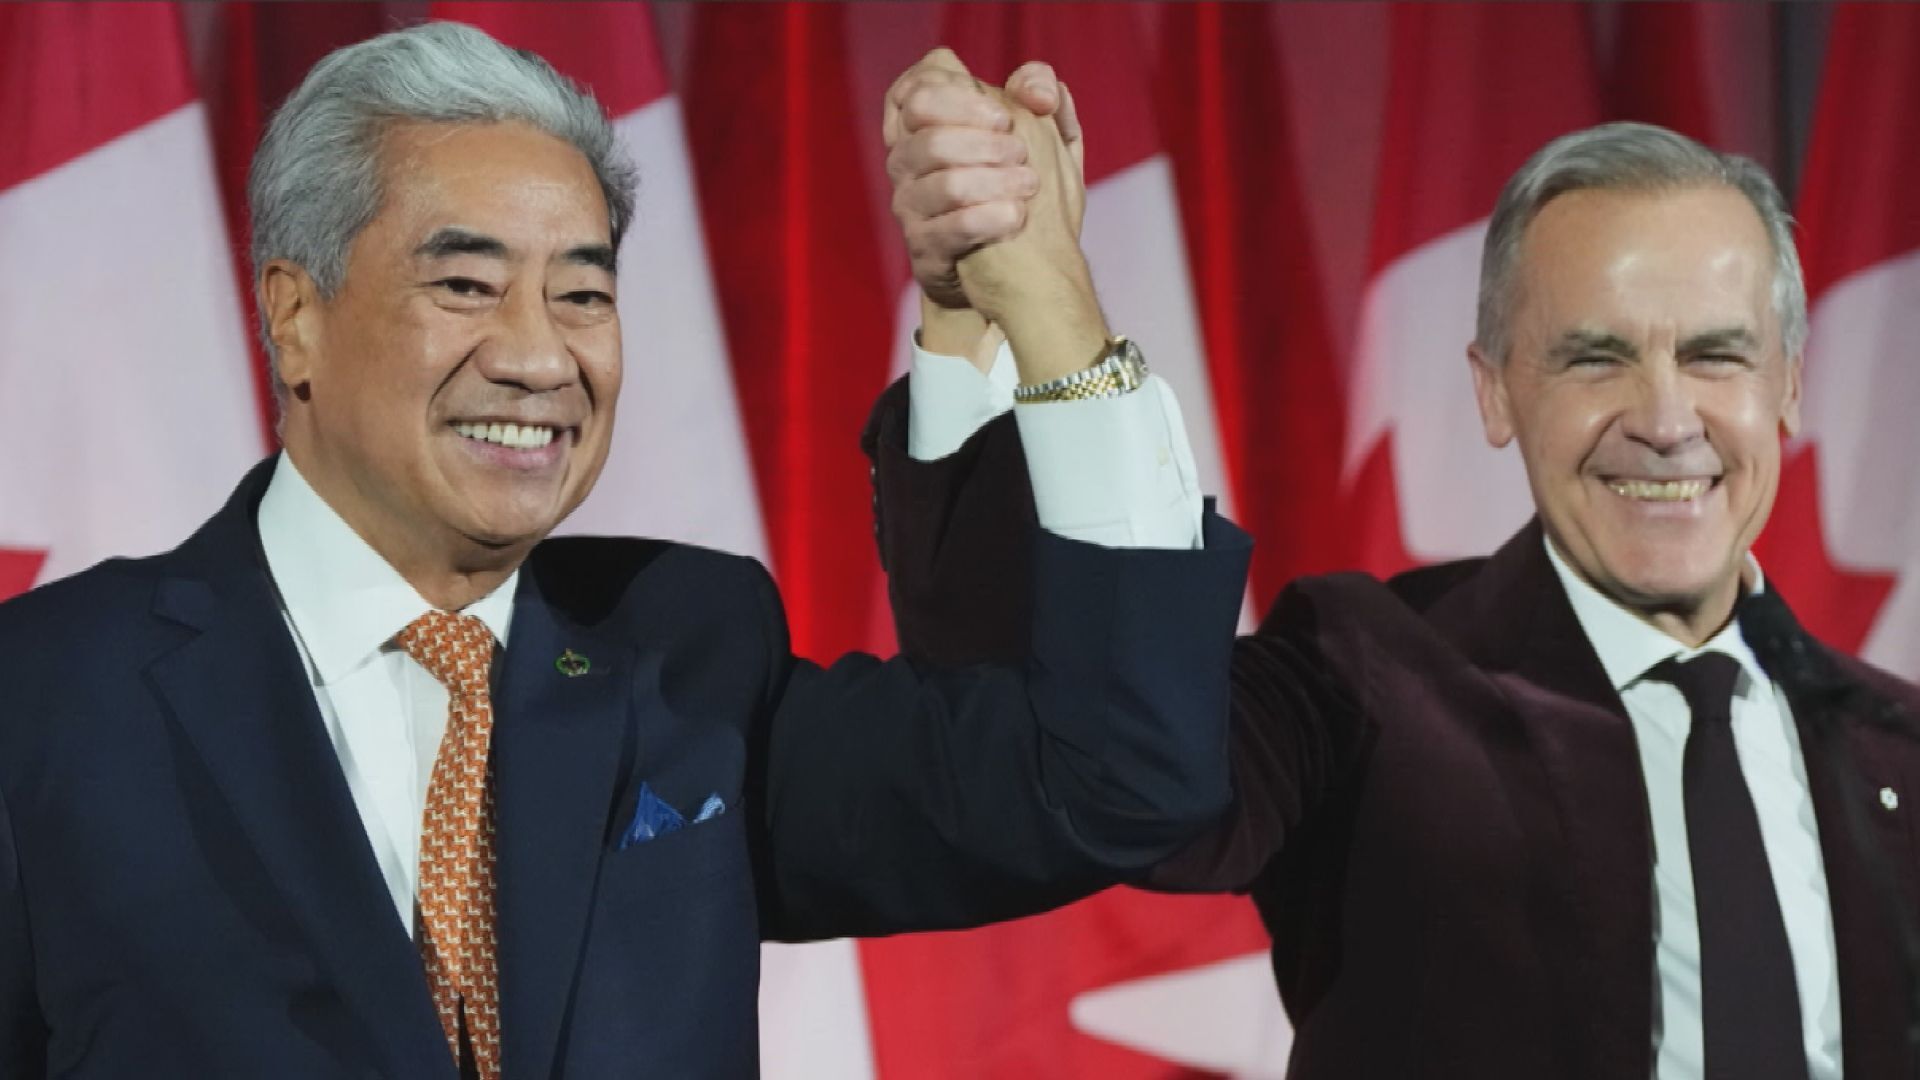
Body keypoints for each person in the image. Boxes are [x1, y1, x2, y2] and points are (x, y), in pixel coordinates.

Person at [0, 25, 1252, 1078]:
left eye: (584, 293)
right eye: (467, 285)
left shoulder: (687, 654)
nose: (540, 356)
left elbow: (1118, 777)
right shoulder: (47, 696)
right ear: (294, 318)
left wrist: (1040, 302)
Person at [873, 50, 1920, 1080]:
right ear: (1496, 392)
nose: (1664, 419)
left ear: (1788, 385)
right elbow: (1070, 754)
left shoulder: (1898, 750)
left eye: (1715, 355)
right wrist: (981, 323)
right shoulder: (1361, 674)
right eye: (1595, 358)